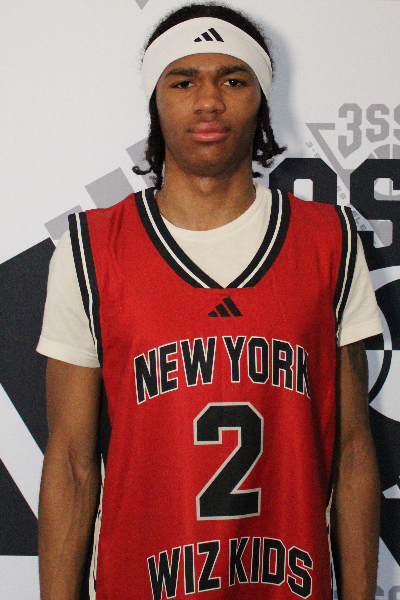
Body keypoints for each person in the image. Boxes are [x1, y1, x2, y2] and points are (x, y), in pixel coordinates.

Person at [37, 3, 382, 600]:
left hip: (287, 583)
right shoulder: (91, 249)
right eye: (183, 81)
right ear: (155, 100)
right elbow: (70, 462)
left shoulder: (329, 240)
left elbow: (351, 452)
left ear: (261, 99)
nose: (208, 102)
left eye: (232, 79)